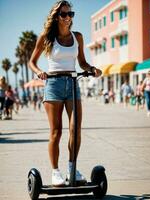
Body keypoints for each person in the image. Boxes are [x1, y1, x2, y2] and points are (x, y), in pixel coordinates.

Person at [29, 0, 102, 186]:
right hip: (53, 84)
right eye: (64, 14)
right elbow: (32, 62)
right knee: (56, 132)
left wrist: (92, 68)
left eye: (71, 14)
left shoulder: (77, 37)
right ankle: (55, 172)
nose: (68, 17)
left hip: (72, 83)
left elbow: (82, 62)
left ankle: (72, 168)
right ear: (56, 16)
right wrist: (39, 72)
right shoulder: (47, 36)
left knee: (75, 129)